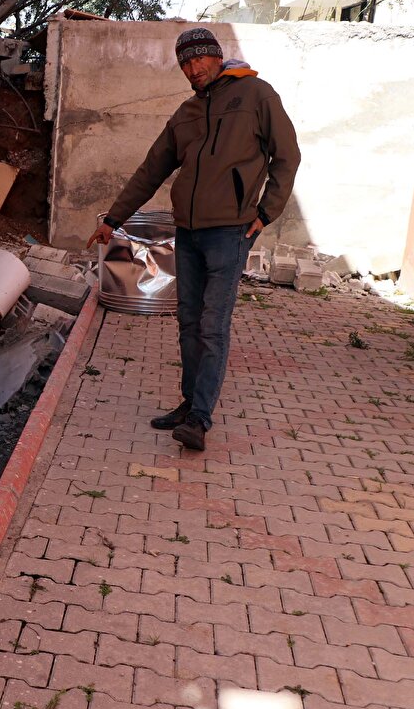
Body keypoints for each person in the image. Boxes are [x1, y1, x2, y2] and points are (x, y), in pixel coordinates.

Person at [86, 27, 300, 451]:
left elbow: (287, 154)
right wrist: (113, 218)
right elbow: (151, 170)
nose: (192, 68)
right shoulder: (186, 112)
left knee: (212, 325)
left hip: (230, 233)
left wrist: (264, 214)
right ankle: (189, 404)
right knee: (188, 322)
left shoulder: (256, 95)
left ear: (216, 57)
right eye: (184, 63)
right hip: (188, 232)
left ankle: (200, 420)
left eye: (198, 59)